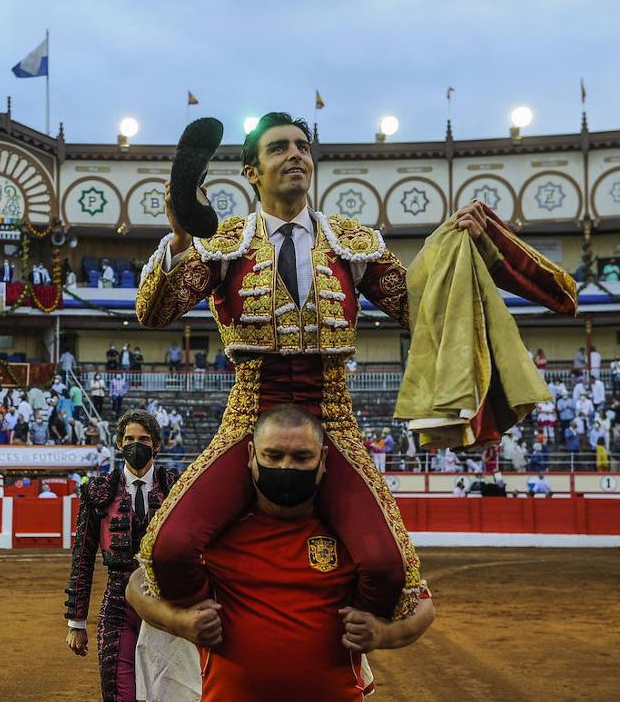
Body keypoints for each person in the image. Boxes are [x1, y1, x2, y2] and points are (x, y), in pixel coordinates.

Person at [134, 111, 577, 621]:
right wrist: (183, 239)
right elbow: (155, 312)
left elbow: (418, 310)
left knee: (389, 568)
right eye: (278, 148)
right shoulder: (225, 241)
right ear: (251, 173)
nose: (296, 154)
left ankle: (330, 644)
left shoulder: (353, 243)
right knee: (169, 549)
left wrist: (456, 248)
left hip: (333, 422)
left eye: (302, 146)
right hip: (248, 421)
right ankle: (240, 636)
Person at [126, 404, 434, 702]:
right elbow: (136, 585)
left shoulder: (350, 536)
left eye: (302, 457)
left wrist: (382, 635)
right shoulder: (217, 534)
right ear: (250, 456)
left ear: (324, 459)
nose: (287, 467)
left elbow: (423, 606)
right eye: (273, 455)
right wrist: (181, 622)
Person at [65, 410, 180, 702]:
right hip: (118, 602)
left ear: (157, 444)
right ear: (119, 443)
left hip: (168, 604)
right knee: (118, 692)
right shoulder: (99, 491)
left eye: (143, 439)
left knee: (172, 692)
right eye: (129, 438)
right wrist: (77, 623)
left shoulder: (177, 487)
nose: (135, 445)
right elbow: (83, 557)